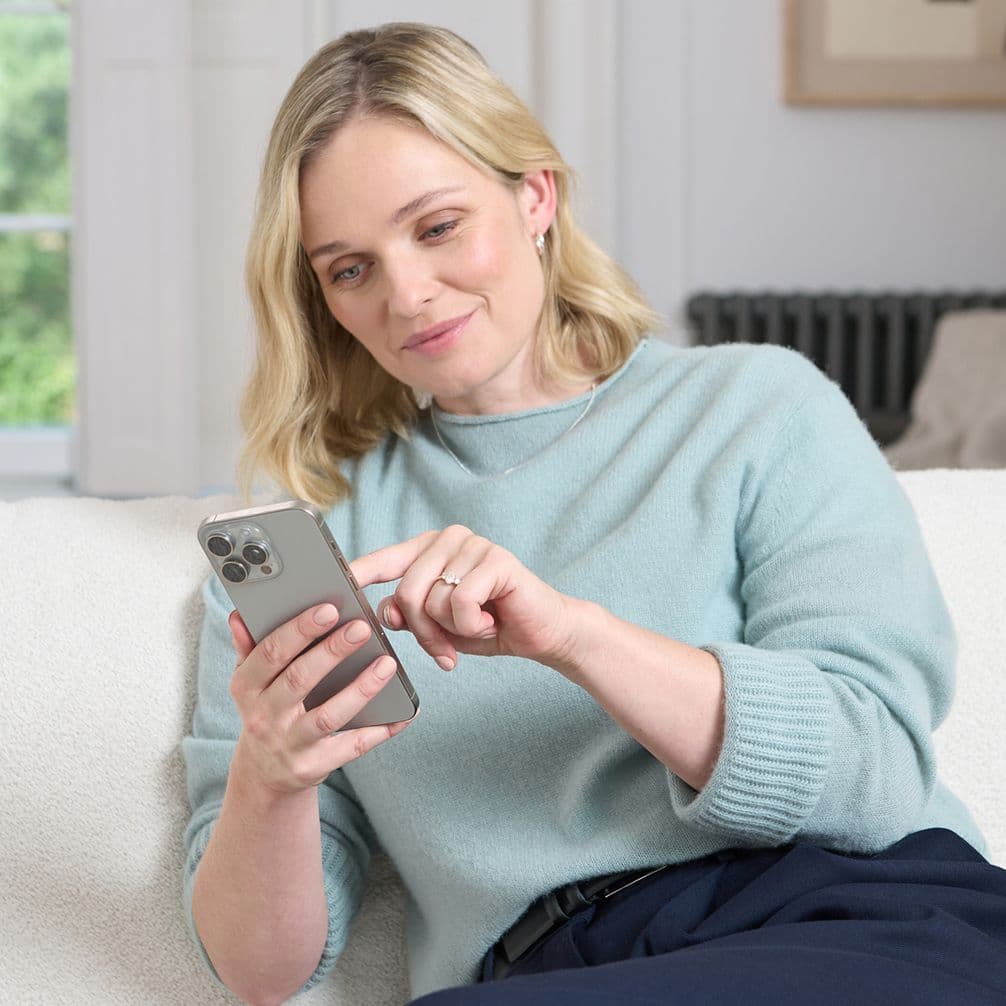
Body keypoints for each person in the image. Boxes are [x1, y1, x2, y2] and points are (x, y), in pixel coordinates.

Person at [182, 21, 1006, 1006]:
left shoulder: (756, 408)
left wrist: (574, 637)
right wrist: (270, 781)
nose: (406, 293)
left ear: (536, 196)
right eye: (349, 268)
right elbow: (259, 973)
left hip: (845, 916)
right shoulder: (320, 542)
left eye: (437, 226)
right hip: (549, 967)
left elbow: (869, 771)